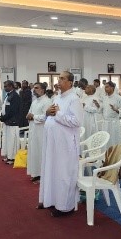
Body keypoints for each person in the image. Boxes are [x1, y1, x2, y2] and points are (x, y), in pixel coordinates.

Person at [38, 71, 83, 217]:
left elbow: (76, 121)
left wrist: (57, 114)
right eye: (59, 78)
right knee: (52, 170)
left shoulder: (74, 99)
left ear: (70, 82)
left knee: (64, 174)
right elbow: (53, 115)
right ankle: (51, 200)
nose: (59, 81)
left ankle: (65, 206)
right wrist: (48, 112)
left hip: (66, 144)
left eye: (62, 78)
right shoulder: (57, 97)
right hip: (54, 143)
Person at [26, 82, 47, 182]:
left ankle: (43, 174)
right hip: (33, 129)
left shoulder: (47, 101)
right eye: (34, 88)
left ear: (42, 90)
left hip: (42, 131)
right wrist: (28, 116)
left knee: (41, 152)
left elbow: (46, 117)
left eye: (36, 88)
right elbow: (29, 113)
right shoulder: (34, 101)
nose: (34, 90)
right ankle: (36, 173)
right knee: (34, 152)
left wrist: (33, 116)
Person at [0, 80, 21, 164]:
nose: (4, 88)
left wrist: (4, 118)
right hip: (7, 121)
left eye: (6, 86)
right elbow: (5, 107)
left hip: (12, 121)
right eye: (4, 86)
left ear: (11, 86)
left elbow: (13, 110)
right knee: (6, 139)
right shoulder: (8, 95)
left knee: (12, 140)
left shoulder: (15, 96)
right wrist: (2, 116)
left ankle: (12, 158)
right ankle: (8, 155)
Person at [102, 81, 121, 147]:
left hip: (114, 123)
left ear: (112, 88)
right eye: (105, 87)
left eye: (107, 87)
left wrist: (116, 110)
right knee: (105, 142)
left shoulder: (118, 98)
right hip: (105, 123)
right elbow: (102, 109)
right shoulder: (104, 98)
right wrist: (98, 105)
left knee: (114, 141)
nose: (105, 89)